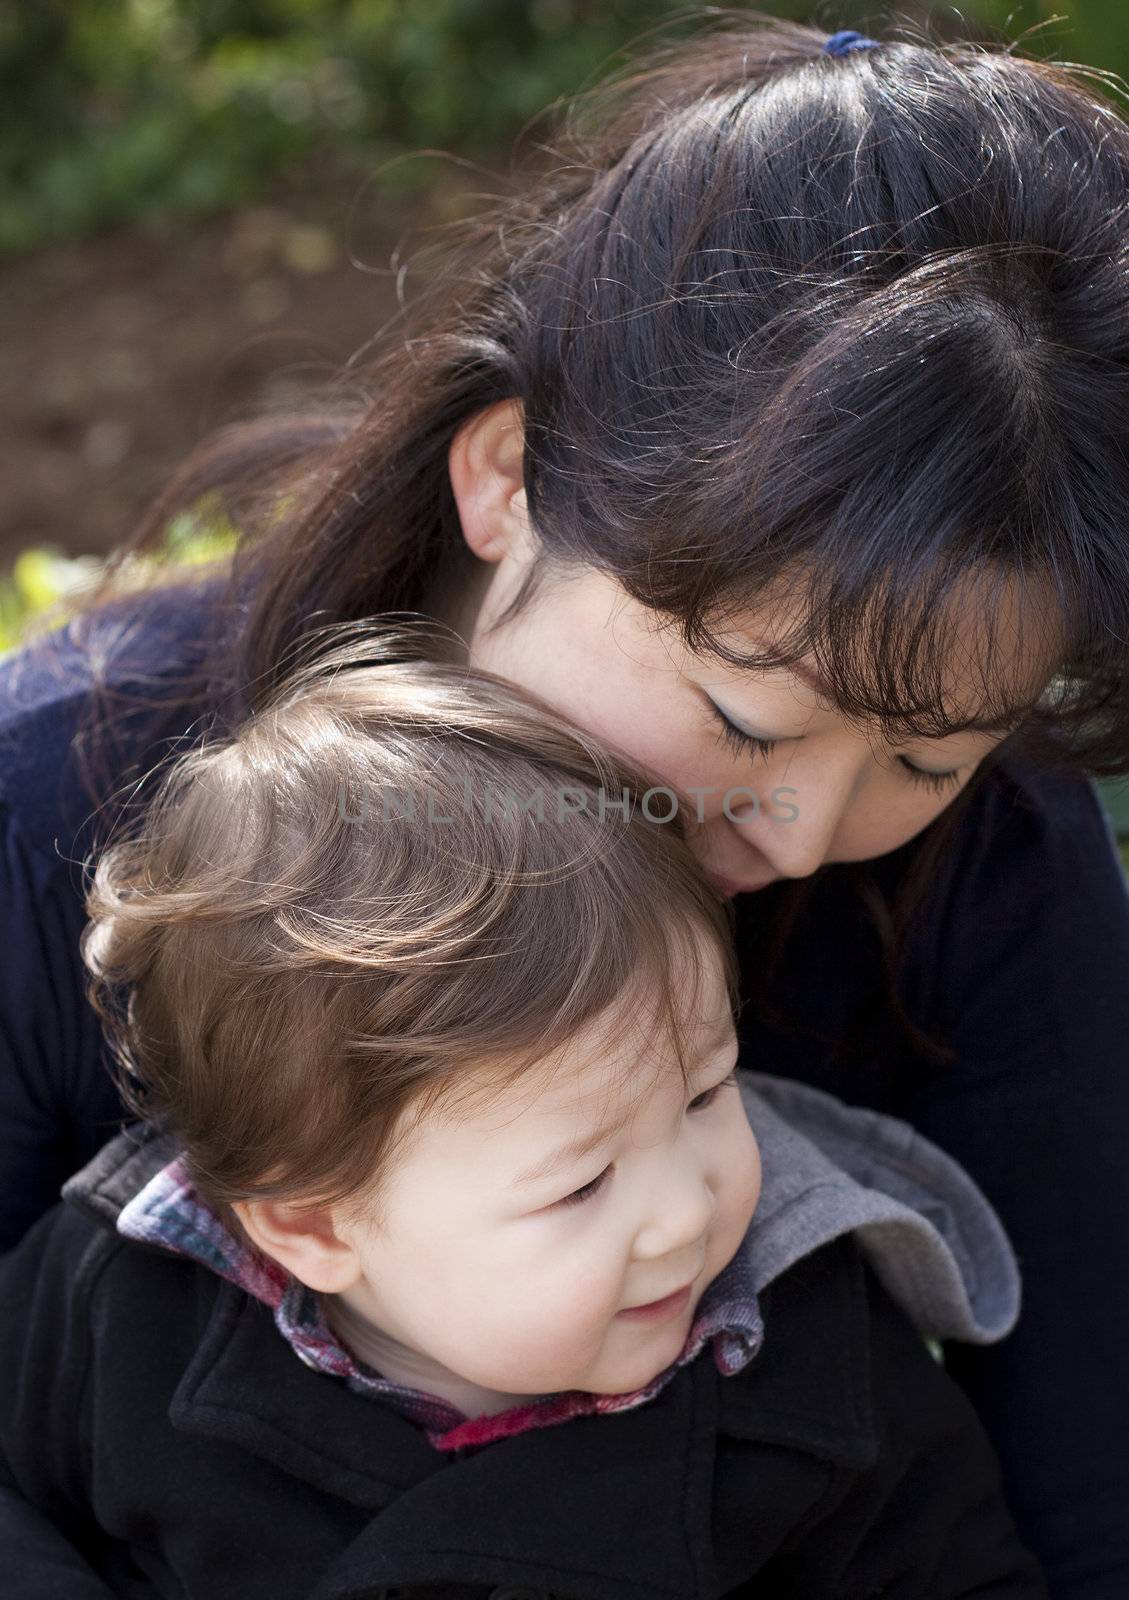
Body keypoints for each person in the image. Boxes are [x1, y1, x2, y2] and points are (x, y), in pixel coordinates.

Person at [1, 11, 1128, 1593]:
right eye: (742, 716)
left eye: (928, 760)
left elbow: (1089, 1489)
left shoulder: (986, 867)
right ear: (507, 476)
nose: (799, 837)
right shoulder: (58, 797)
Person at [0, 630, 1047, 1599]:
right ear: (314, 1222)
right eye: (582, 1181)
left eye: (702, 1093)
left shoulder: (817, 1363)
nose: (684, 1211)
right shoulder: (116, 1306)